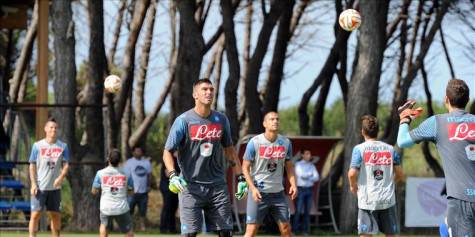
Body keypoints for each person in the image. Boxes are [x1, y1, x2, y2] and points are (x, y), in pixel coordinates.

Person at [162, 78, 248, 237]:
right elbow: (167, 151)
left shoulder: (221, 120)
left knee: (226, 232)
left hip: (217, 186)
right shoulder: (183, 121)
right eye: (204, 89)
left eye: (211, 89)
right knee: (190, 234)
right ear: (195, 94)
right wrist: (173, 175)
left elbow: (230, 150)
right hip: (190, 187)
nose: (209, 92)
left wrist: (241, 178)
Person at [397, 79, 475, 236]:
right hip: (464, 200)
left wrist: (404, 119)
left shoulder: (437, 122)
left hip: (462, 199)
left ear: (446, 99)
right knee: (444, 228)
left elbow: (403, 141)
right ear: (467, 100)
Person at [241, 111, 298, 237]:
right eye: (272, 119)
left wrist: (293, 185)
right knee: (251, 232)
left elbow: (289, 168)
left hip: (278, 194)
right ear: (264, 124)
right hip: (259, 193)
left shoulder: (286, 143)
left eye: (277, 119)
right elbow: (245, 168)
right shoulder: (255, 142)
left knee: (286, 230)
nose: (275, 121)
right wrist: (253, 188)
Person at [348, 115, 403, 237]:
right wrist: (392, 182)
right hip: (387, 199)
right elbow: (400, 174)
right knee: (390, 234)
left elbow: (352, 173)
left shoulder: (359, 149)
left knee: (366, 234)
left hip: (367, 200)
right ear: (377, 131)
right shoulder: (390, 149)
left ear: (362, 131)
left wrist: (353, 186)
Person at [28, 117, 70, 237]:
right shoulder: (37, 146)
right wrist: (33, 183)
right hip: (40, 187)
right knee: (35, 215)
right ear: (46, 129)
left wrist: (61, 177)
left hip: (55, 189)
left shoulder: (63, 146)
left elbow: (66, 165)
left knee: (55, 216)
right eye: (51, 127)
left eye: (56, 128)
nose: (53, 130)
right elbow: (32, 166)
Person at [92, 149, 134, 237]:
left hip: (106, 207)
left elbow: (94, 191)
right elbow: (131, 191)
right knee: (128, 231)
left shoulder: (100, 173)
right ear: (120, 160)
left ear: (108, 159)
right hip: (122, 207)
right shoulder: (127, 173)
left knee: (103, 226)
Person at [124, 146, 152, 231]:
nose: (138, 152)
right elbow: (126, 176)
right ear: (133, 152)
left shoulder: (146, 162)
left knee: (143, 211)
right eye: (136, 151)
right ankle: (129, 227)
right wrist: (128, 188)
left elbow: (149, 176)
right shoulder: (129, 162)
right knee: (129, 211)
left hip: (143, 192)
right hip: (132, 191)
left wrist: (149, 186)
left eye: (140, 151)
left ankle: (142, 227)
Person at [292, 149, 319, 235]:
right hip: (300, 189)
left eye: (310, 154)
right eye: (307, 154)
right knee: (298, 211)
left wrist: (308, 176)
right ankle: (294, 230)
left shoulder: (312, 165)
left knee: (307, 212)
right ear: (302, 155)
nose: (309, 156)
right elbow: (301, 175)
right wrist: (310, 175)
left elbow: (317, 177)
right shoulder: (298, 164)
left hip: (309, 189)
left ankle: (305, 231)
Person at [159, 157, 179, 234]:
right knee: (167, 207)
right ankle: (163, 228)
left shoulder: (178, 159)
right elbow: (168, 173)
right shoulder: (169, 158)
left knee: (173, 208)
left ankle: (172, 228)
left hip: (175, 187)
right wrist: (180, 175)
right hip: (167, 187)